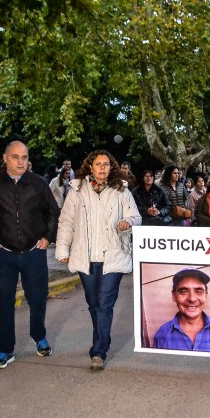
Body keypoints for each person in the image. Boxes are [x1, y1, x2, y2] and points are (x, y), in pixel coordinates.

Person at [0, 141, 61, 369]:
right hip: (3, 254)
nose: (21, 161)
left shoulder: (38, 183)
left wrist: (47, 238)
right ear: (5, 158)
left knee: (38, 299)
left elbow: (53, 212)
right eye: (15, 157)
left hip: (34, 253)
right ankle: (5, 349)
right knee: (3, 303)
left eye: (24, 157)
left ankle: (39, 336)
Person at [56, 149, 141, 370]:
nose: (102, 168)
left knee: (104, 303)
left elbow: (136, 217)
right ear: (90, 167)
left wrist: (127, 223)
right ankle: (100, 340)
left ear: (111, 167)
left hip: (113, 254)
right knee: (93, 303)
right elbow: (66, 221)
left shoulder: (121, 190)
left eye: (106, 164)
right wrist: (63, 249)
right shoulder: (77, 190)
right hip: (86, 256)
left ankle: (99, 351)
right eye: (98, 164)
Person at [152, 269, 210, 353]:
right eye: (183, 291)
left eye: (198, 291)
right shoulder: (161, 335)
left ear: (206, 295)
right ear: (174, 296)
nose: (192, 299)